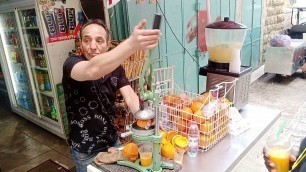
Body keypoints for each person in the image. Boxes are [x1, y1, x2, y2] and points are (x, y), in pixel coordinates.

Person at [62, 19, 161, 172]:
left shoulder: (117, 69)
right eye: (87, 40)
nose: (92, 46)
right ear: (80, 43)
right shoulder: (72, 64)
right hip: (85, 150)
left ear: (108, 44)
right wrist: (132, 44)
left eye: (99, 40)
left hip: (112, 144)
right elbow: (93, 70)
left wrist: (144, 119)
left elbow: (129, 96)